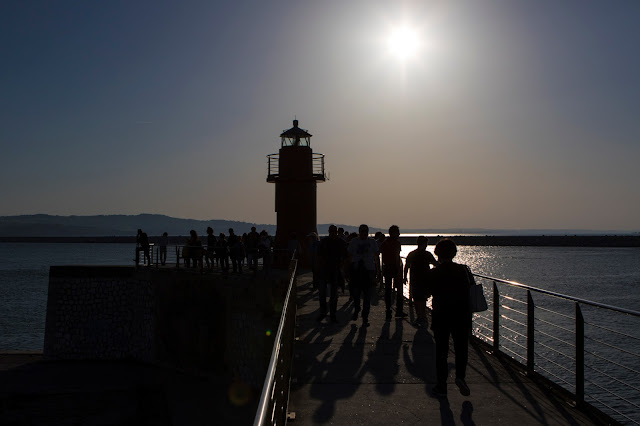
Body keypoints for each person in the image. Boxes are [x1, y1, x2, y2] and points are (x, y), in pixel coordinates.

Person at [429, 239, 473, 398]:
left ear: (438, 254)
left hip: (441, 315)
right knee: (461, 349)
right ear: (454, 253)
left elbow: (427, 292)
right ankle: (460, 377)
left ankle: (442, 385)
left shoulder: (434, 273)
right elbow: (471, 290)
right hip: (461, 314)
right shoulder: (464, 270)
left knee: (441, 351)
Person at [347, 224, 380, 327]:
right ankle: (357, 308)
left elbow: (376, 257)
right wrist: (348, 271)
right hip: (356, 270)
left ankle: (365, 318)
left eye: (365, 231)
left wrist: (378, 272)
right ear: (359, 232)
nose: (364, 233)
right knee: (356, 293)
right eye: (362, 231)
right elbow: (349, 256)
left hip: (369, 271)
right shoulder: (354, 242)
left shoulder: (372, 242)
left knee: (367, 296)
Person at [403, 236, 438, 327]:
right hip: (424, 279)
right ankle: (422, 316)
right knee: (422, 299)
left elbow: (406, 266)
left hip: (417, 279)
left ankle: (420, 316)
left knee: (418, 299)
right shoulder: (427, 254)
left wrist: (404, 277)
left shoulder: (412, 254)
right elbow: (435, 264)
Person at [316, 225, 347, 323]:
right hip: (324, 270)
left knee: (334, 295)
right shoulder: (324, 242)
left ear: (337, 232)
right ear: (329, 231)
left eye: (334, 231)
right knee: (322, 294)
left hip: (335, 271)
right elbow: (319, 256)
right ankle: (323, 313)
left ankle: (332, 315)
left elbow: (345, 257)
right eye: (331, 231)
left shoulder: (340, 242)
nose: (333, 233)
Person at [380, 225, 405, 320]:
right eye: (397, 232)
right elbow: (397, 257)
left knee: (388, 290)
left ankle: (388, 310)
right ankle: (398, 310)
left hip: (387, 267)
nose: (399, 234)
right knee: (399, 290)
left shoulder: (384, 243)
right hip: (394, 268)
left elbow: (383, 258)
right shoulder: (396, 243)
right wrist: (399, 270)